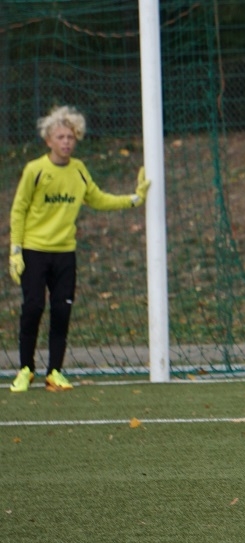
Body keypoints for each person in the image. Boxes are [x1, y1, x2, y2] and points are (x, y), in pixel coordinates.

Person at [8, 105, 149, 392]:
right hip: (34, 251)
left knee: (62, 310)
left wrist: (134, 199)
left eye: (70, 137)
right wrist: (16, 250)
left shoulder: (79, 170)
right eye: (60, 137)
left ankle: (55, 372)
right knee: (33, 307)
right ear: (48, 140)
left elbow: (98, 199)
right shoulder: (35, 170)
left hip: (65, 253)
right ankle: (25, 369)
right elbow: (18, 209)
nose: (66, 142)